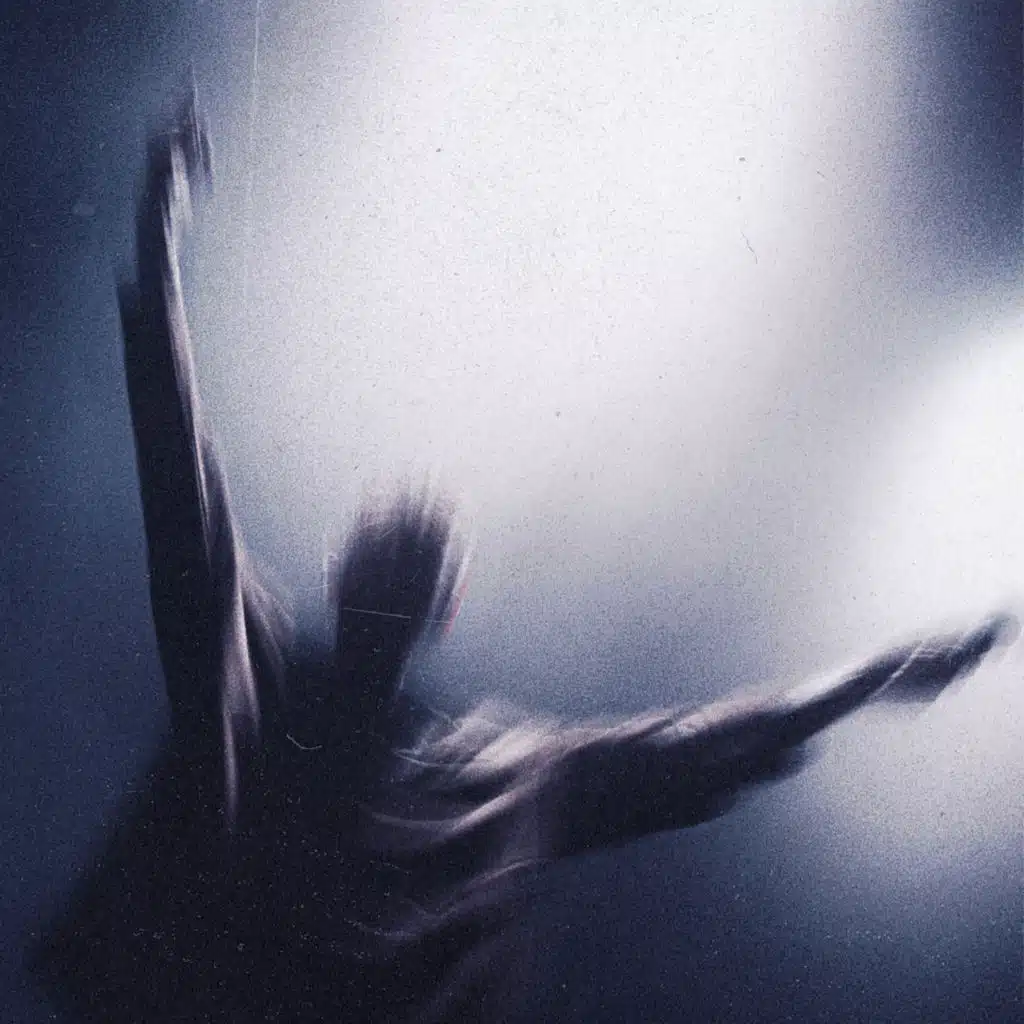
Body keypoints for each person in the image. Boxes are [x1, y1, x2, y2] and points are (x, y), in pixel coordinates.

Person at [30, 98, 1017, 1024]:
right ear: (347, 574)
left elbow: (709, 742)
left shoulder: (499, 767)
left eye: (414, 567)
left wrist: (874, 676)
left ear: (438, 607)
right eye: (391, 557)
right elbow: (183, 476)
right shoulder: (269, 672)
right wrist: (157, 243)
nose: (395, 581)